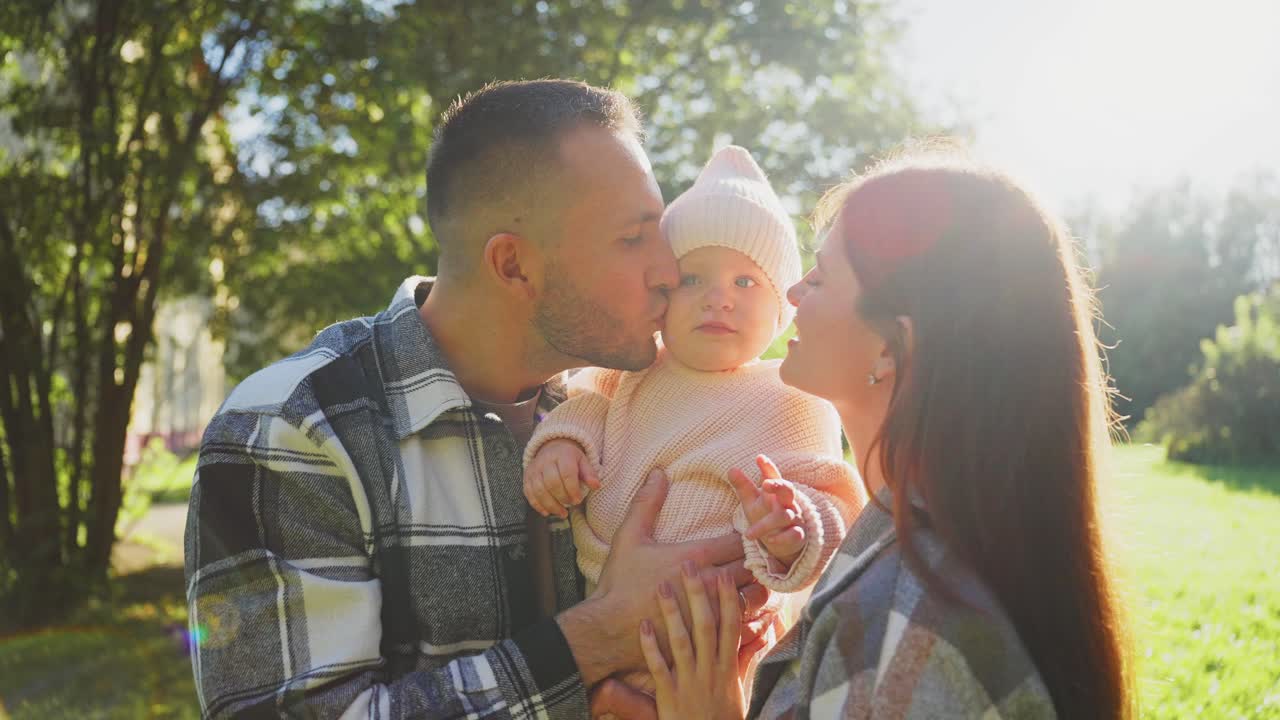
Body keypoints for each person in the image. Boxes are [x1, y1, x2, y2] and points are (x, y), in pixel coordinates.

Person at [183, 79, 774, 719]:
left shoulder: (618, 405)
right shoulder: (293, 427)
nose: (669, 269)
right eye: (633, 239)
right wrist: (600, 637)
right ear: (513, 265)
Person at [636, 147, 1134, 719]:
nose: (792, 294)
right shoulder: (908, 545)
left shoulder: (910, 632)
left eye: (820, 277)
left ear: (891, 346)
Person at [522, 145, 865, 693]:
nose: (718, 299)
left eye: (745, 282)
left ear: (781, 308)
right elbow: (583, 405)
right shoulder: (632, 371)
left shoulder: (792, 397)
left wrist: (791, 525)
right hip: (602, 620)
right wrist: (560, 448)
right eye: (692, 280)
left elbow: (835, 499)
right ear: (660, 295)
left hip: (715, 645)